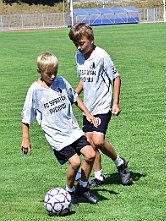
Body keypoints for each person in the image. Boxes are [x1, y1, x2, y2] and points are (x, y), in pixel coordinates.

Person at [21, 52, 100, 205]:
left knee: (90, 155)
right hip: (56, 136)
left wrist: (88, 114)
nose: (52, 76)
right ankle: (69, 191)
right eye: (48, 73)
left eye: (55, 73)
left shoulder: (61, 81)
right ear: (39, 71)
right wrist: (26, 138)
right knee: (75, 163)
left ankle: (83, 188)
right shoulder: (34, 90)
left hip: (72, 130)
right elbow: (26, 116)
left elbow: (74, 98)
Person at [68, 23, 131, 186]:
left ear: (91, 39)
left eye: (81, 43)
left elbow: (116, 78)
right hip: (88, 107)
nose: (79, 47)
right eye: (76, 44)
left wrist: (115, 103)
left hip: (103, 105)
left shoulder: (102, 55)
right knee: (89, 144)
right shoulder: (78, 56)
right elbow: (84, 78)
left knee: (98, 140)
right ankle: (99, 177)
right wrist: (74, 94)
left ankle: (120, 163)